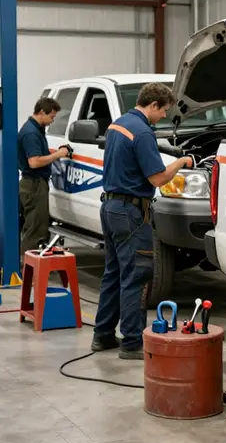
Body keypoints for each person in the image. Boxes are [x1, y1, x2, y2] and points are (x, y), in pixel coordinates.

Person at [91, 82, 194, 360]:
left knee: (114, 273)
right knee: (136, 276)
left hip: (110, 208)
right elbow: (158, 178)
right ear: (153, 105)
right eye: (163, 111)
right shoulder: (143, 132)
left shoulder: (117, 125)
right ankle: (132, 342)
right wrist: (181, 162)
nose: (164, 116)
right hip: (131, 213)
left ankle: (102, 335)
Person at [18, 97, 72, 259]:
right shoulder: (31, 133)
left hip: (35, 184)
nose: (52, 121)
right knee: (35, 229)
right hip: (34, 185)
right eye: (51, 117)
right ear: (42, 112)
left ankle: (33, 264)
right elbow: (34, 162)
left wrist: (55, 152)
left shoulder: (36, 130)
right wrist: (59, 154)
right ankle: (29, 266)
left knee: (37, 226)